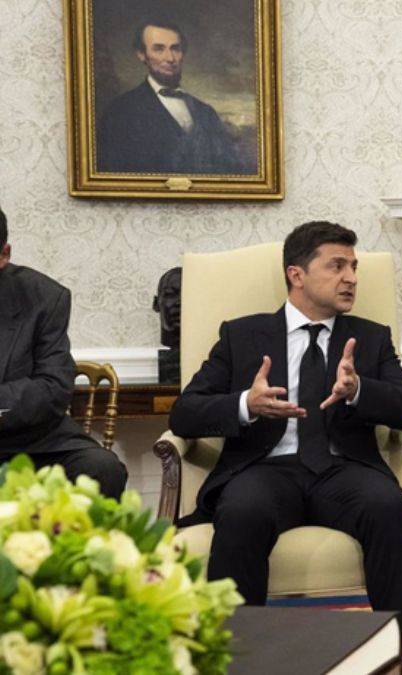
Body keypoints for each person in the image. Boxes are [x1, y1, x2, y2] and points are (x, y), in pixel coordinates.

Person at [168, 221, 402, 648]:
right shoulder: (241, 335)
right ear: (297, 274)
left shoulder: (369, 337)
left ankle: (397, 653)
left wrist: (359, 389)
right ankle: (235, 655)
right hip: (265, 469)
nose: (351, 278)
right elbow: (185, 414)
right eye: (337, 266)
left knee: (390, 509)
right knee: (241, 512)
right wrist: (245, 404)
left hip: (343, 470)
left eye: (354, 267)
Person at [0, 206, 129, 498]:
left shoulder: (43, 298)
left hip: (33, 441)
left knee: (101, 468)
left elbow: (53, 387)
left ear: (4, 254)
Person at [96, 20, 242, 174]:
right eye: (159, 49)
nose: (170, 58)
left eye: (175, 49)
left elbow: (228, 170)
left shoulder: (206, 112)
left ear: (182, 53)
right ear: (141, 55)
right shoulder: (119, 111)